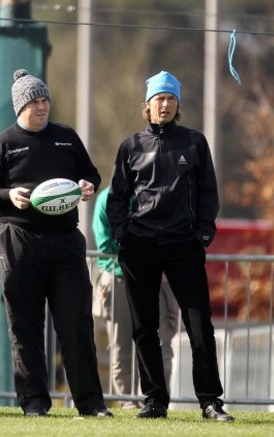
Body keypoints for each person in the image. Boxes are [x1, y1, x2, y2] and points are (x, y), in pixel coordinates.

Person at [0, 69, 112, 418]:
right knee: (25, 325)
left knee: (77, 323)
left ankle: (91, 404)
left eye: (45, 100)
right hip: (20, 241)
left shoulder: (66, 137)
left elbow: (92, 173)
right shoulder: (4, 143)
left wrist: (88, 184)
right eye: (34, 101)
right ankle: (34, 404)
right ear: (20, 106)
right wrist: (8, 194)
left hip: (66, 241)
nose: (42, 106)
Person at [106, 70, 233, 421]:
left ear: (178, 105)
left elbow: (209, 193)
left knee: (199, 326)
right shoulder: (131, 146)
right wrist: (121, 234)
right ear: (147, 106)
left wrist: (204, 232)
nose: (164, 104)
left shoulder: (194, 142)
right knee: (145, 327)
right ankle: (155, 401)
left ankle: (210, 402)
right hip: (140, 246)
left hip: (184, 245)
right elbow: (116, 198)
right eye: (158, 99)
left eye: (170, 99)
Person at [92, 185, 180, 408]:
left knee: (161, 345)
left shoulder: (159, 193)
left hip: (157, 278)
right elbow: (104, 245)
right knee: (121, 346)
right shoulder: (107, 198)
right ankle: (128, 402)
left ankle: (156, 400)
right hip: (119, 276)